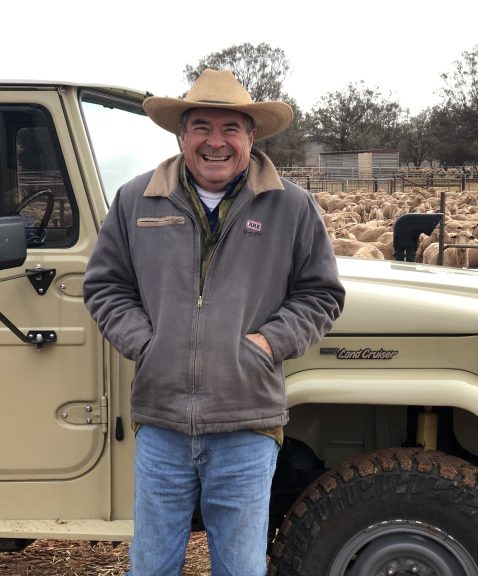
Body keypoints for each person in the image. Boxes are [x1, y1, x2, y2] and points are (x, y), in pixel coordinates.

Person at [83, 68, 345, 575]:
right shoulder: (137, 201)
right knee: (153, 564)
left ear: (251, 137)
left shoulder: (291, 206)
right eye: (201, 127)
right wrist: (147, 343)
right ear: (182, 136)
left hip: (247, 422)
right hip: (161, 422)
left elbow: (321, 293)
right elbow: (105, 285)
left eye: (231, 129)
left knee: (240, 566)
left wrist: (268, 343)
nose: (215, 142)